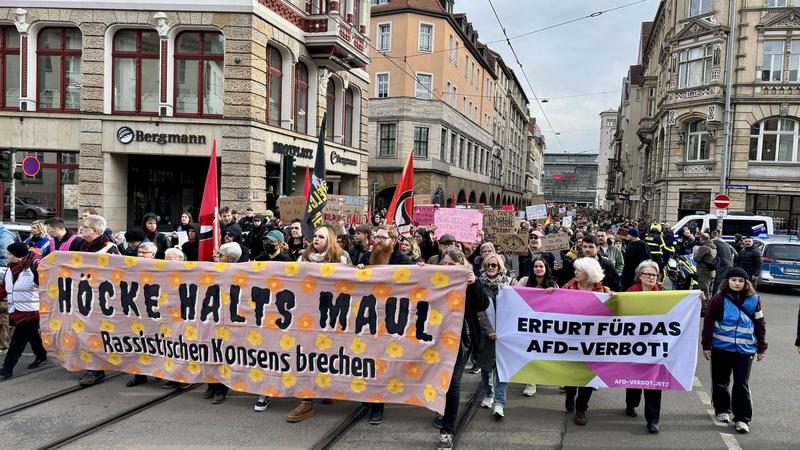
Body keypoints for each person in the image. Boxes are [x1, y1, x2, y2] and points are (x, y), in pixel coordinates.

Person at [287, 225, 349, 423]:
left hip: (333, 315)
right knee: (308, 354)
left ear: (329, 240)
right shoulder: (303, 258)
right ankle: (307, 400)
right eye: (314, 236)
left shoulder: (342, 259)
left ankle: (327, 388)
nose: (316, 239)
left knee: (330, 354)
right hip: (307, 314)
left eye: (320, 236)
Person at [356, 225, 412, 424]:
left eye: (382, 238)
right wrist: (359, 270)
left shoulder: (403, 261)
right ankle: (367, 396)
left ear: (393, 241)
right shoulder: (366, 257)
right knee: (366, 359)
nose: (378, 241)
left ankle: (377, 405)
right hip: (368, 316)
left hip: (390, 319)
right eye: (376, 237)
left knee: (381, 362)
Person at [701, 267, 767, 434]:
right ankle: (722, 410)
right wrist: (706, 346)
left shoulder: (754, 299)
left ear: (746, 283)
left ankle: (743, 418)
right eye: (733, 280)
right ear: (727, 281)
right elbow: (708, 322)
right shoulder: (718, 299)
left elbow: (760, 324)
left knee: (741, 383)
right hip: (721, 348)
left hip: (745, 350)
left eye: (740, 281)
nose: (737, 283)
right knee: (720, 381)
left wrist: (761, 347)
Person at [436, 248, 488, 450]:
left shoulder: (468, 280)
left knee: (453, 383)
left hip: (459, 341)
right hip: (435, 340)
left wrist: (473, 283)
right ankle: (440, 409)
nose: (447, 268)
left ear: (460, 264)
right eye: (445, 264)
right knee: (439, 380)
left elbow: (482, 304)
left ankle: (447, 431)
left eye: (451, 264)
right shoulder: (435, 277)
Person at [559, 257, 611, 425]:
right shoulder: (569, 286)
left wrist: (614, 299)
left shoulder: (603, 292)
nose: (575, 273)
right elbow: (556, 304)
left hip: (592, 343)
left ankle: (581, 408)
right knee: (571, 373)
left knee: (588, 374)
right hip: (571, 339)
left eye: (578, 270)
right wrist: (551, 293)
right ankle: (569, 394)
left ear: (588, 273)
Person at [77, 215, 120, 387]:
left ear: (94, 231)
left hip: (103, 299)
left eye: (85, 227)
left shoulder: (109, 248)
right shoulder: (81, 245)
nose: (82, 229)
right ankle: (93, 365)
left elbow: (118, 273)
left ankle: (96, 369)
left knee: (98, 332)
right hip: (84, 295)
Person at [624, 260, 663, 433]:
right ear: (639, 276)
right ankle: (631, 403)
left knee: (653, 382)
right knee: (634, 376)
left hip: (654, 345)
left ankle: (653, 419)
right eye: (647, 274)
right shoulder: (630, 293)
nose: (651, 278)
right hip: (634, 344)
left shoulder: (665, 295)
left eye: (654, 275)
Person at [475, 253, 516, 419]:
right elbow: (478, 310)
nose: (491, 268)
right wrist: (488, 330)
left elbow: (520, 304)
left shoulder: (509, 283)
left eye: (494, 265)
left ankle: (499, 403)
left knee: (502, 368)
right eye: (488, 265)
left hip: (504, 334)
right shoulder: (478, 284)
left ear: (500, 267)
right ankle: (488, 394)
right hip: (486, 333)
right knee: (485, 366)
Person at [201, 242, 242, 404]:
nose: (217, 257)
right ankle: (211, 383)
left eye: (221, 255)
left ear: (231, 259)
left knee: (223, 353)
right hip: (211, 315)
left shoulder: (240, 272)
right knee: (209, 350)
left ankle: (221, 389)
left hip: (228, 319)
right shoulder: (212, 269)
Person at [0, 243, 46, 379]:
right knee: (31, 335)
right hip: (16, 311)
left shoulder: (34, 266)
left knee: (18, 340)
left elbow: (47, 286)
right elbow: (3, 288)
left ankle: (7, 368)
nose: (6, 256)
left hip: (31, 311)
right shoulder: (10, 269)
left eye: (9, 254)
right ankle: (41, 355)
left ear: (18, 256)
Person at [516, 256, 559, 397]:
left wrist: (555, 294)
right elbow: (513, 294)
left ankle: (559, 378)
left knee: (549, 353)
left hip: (547, 325)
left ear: (546, 269)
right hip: (529, 324)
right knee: (530, 353)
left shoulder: (553, 284)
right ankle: (531, 382)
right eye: (536, 266)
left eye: (541, 266)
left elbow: (561, 304)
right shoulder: (524, 281)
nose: (538, 269)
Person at [126, 242, 160, 388]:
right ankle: (139, 374)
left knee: (156, 344)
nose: (140, 254)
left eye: (144, 252)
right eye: (139, 251)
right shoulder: (131, 268)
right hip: (137, 311)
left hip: (155, 313)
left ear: (153, 255)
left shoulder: (160, 269)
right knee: (137, 344)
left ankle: (157, 372)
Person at [694, 233, 717, 314]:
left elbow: (696, 258)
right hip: (712, 272)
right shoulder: (713, 247)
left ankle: (704, 310)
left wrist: (696, 253)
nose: (699, 239)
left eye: (700, 238)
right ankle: (709, 307)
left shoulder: (704, 248)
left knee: (703, 291)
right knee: (709, 291)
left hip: (704, 272)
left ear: (703, 239)